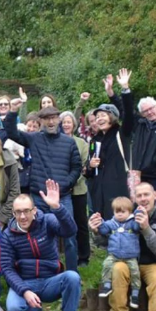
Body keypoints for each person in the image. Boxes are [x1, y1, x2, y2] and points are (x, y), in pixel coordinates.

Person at [0, 180, 80, 311]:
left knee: (72, 277)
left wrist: (57, 207)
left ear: (34, 210)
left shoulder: (47, 221)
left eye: (26, 211)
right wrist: (25, 291)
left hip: (50, 281)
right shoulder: (8, 235)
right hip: (25, 282)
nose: (22, 216)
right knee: (13, 307)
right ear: (13, 213)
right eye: (18, 212)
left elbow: (70, 231)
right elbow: (7, 268)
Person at [90, 182, 156, 311]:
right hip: (125, 261)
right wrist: (95, 231)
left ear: (155, 195)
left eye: (146, 194)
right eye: (139, 195)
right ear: (134, 199)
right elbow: (105, 242)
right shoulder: (125, 214)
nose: (143, 199)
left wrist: (146, 228)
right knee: (117, 269)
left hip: (152, 263)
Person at [4, 102, 82, 271]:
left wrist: (66, 184)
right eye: (46, 119)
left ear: (58, 119)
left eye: (53, 118)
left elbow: (77, 167)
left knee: (70, 236)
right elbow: (11, 132)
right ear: (41, 121)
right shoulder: (34, 138)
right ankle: (46, 271)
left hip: (62, 197)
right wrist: (13, 111)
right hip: (39, 197)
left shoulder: (69, 142)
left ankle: (72, 274)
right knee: (40, 235)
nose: (51, 122)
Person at [85, 69, 135, 220]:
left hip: (118, 190)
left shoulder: (122, 133)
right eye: (97, 117)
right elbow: (88, 171)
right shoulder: (95, 141)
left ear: (112, 117)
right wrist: (90, 166)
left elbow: (128, 113)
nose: (99, 119)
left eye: (103, 115)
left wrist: (124, 89)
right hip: (99, 193)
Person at [95, 197, 142, 309]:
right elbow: (103, 230)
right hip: (114, 254)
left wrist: (138, 213)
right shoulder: (111, 223)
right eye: (117, 212)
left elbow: (138, 227)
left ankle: (135, 293)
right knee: (106, 265)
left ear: (129, 212)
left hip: (130, 256)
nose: (119, 214)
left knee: (135, 273)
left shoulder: (132, 223)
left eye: (123, 212)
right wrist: (100, 221)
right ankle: (107, 285)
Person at [60, 110, 91, 266]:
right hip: (60, 190)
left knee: (80, 222)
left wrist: (71, 182)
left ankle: (83, 256)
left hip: (78, 189)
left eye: (68, 122)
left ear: (73, 124)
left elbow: (84, 165)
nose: (66, 125)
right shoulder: (56, 141)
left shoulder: (82, 143)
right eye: (63, 122)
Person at [131, 95, 156, 206]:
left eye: (151, 108)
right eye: (145, 111)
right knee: (136, 205)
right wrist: (113, 94)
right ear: (142, 114)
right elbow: (125, 109)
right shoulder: (140, 125)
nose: (149, 112)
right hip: (137, 174)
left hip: (155, 174)